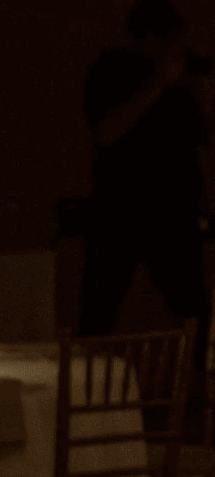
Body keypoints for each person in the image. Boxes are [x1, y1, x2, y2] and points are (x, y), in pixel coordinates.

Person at [78, 0, 210, 340]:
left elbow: (202, 139)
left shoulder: (182, 84)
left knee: (192, 304)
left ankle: (193, 383)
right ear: (150, 39)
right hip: (120, 207)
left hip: (174, 210)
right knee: (100, 304)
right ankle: (84, 377)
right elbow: (106, 132)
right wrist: (158, 83)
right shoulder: (111, 71)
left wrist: (196, 88)